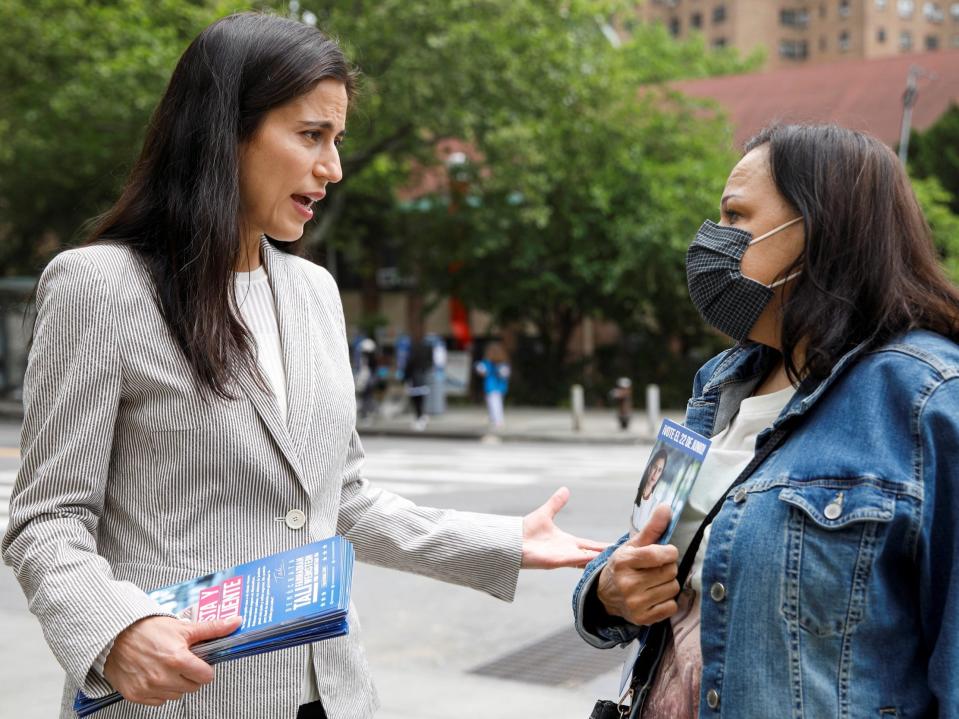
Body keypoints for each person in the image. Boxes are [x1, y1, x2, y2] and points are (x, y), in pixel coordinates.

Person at [0, 14, 605, 719]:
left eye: (337, 140)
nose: (333, 168)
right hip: (182, 699)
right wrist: (116, 631)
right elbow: (47, 518)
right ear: (223, 132)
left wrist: (503, 539)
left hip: (333, 695)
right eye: (310, 135)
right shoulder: (99, 286)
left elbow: (338, 499)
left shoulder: (314, 291)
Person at [573, 123, 959, 718]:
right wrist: (608, 592)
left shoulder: (928, 400)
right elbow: (641, 544)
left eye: (734, 217)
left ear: (822, 230)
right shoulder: (721, 383)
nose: (711, 240)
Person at [629, 448, 669, 535]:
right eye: (655, 467)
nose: (655, 474)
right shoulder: (637, 490)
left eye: (659, 470)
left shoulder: (656, 504)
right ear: (649, 467)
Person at [474, 342, 511, 430]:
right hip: (500, 387)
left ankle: (498, 420)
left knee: (494, 404)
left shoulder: (488, 363)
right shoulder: (503, 363)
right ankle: (494, 418)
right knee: (497, 403)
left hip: (491, 387)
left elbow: (481, 371)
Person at [402, 334, 433, 431]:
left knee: (416, 402)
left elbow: (408, 367)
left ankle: (419, 420)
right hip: (422, 381)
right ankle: (422, 417)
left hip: (415, 381)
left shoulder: (412, 356)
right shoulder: (426, 355)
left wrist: (404, 378)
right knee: (421, 401)